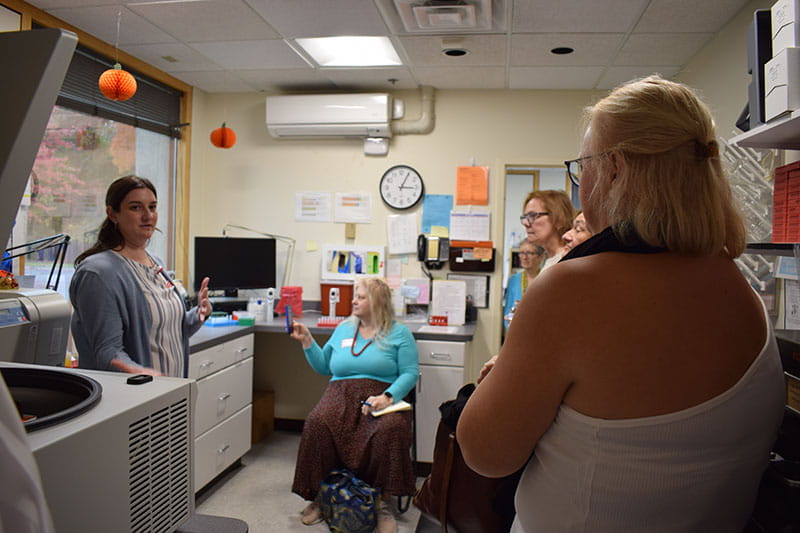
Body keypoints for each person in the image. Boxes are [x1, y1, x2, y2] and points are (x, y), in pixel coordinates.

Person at [457, 76, 785, 532]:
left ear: (613, 169)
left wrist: (500, 382)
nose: (579, 186)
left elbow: (485, 454)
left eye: (581, 168)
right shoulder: (741, 289)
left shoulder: (570, 291)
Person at [289, 277, 418, 532]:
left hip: (381, 395)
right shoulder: (344, 328)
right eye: (355, 296)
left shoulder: (399, 333)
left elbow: (410, 372)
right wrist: (307, 341)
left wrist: (388, 397)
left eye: (360, 297)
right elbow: (324, 366)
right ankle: (322, 496)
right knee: (318, 423)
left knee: (390, 429)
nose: (353, 300)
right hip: (341, 392)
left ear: (377, 302)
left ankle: (381, 501)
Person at [69, 175, 212, 377]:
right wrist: (144, 374)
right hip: (135, 396)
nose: (148, 216)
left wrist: (199, 314)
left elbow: (166, 334)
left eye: (152, 207)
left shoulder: (156, 263)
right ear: (113, 214)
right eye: (136, 208)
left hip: (171, 391)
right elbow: (107, 351)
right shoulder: (98, 273)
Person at [519, 189, 575, 270]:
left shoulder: (567, 261)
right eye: (525, 217)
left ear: (559, 218)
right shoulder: (550, 260)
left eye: (532, 215)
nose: (526, 223)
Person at [503, 239, 544, 330]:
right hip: (517, 332)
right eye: (521, 253)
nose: (524, 257)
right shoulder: (513, 280)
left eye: (529, 253)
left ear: (540, 257)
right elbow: (508, 311)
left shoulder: (546, 279)